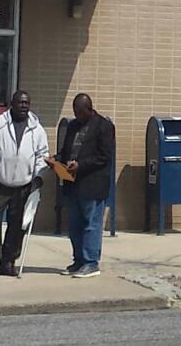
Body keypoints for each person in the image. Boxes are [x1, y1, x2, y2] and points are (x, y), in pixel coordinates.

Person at [0, 90, 49, 278]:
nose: (24, 106)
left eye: (27, 103)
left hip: (24, 185)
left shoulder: (37, 129)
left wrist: (39, 177)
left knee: (18, 225)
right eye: (20, 103)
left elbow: (42, 155)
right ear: (12, 104)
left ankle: (8, 262)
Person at [56, 93, 115, 279]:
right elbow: (66, 151)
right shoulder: (73, 126)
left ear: (89, 109)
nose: (77, 116)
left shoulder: (103, 126)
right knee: (74, 225)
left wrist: (81, 165)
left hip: (92, 184)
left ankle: (91, 262)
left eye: (80, 112)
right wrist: (56, 161)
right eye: (75, 112)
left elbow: (104, 157)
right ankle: (79, 260)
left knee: (91, 225)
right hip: (73, 184)